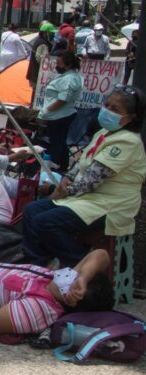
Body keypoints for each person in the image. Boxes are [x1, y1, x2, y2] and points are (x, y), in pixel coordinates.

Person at [23, 85, 146, 267]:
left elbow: (91, 181)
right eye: (107, 105)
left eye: (115, 109)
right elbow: (82, 162)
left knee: (45, 222)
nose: (108, 111)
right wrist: (67, 178)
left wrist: (62, 190)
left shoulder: (128, 142)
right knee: (31, 210)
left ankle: (82, 267)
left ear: (131, 117)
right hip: (86, 199)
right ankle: (36, 266)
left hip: (109, 205)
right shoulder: (104, 133)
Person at [37, 50, 83, 172]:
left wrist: (46, 111)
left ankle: (56, 166)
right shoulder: (70, 77)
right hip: (60, 114)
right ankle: (61, 165)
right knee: (60, 142)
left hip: (59, 116)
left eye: (59, 64)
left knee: (57, 142)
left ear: (67, 65)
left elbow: (63, 99)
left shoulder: (68, 79)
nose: (57, 66)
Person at [28, 21, 55, 89]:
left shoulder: (39, 40)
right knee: (35, 96)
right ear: (45, 33)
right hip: (37, 75)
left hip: (36, 75)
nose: (53, 35)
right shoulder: (43, 44)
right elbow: (40, 59)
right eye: (51, 33)